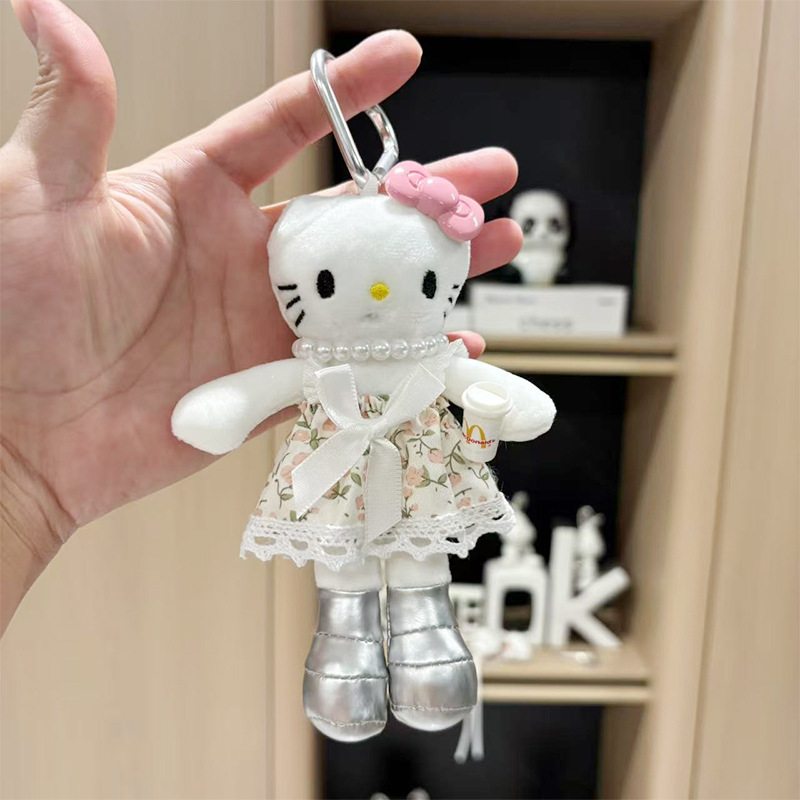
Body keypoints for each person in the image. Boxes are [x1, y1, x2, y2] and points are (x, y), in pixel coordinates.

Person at [0, 0, 523, 636]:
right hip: (339, 480)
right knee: (342, 570)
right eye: (324, 283)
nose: (383, 292)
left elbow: (484, 388)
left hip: (423, 473)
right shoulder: (319, 368)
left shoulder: (430, 363)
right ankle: (346, 648)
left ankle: (428, 640)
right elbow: (263, 390)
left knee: (423, 561)